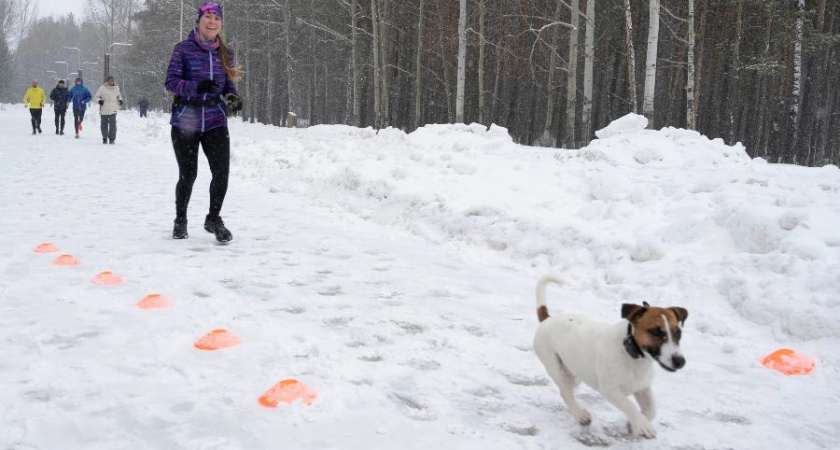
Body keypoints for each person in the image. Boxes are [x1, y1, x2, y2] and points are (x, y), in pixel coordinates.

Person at [165, 1, 242, 243]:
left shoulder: (225, 52)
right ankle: (180, 220)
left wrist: (232, 98)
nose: (212, 22)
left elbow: (228, 84)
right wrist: (195, 87)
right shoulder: (183, 49)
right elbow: (171, 82)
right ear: (199, 21)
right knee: (188, 174)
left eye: (216, 18)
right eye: (208, 17)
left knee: (222, 173)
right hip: (185, 119)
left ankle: (213, 218)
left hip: (215, 119)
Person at [94, 75, 123, 144]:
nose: (111, 82)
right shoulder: (102, 88)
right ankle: (104, 137)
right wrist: (99, 101)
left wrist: (120, 100)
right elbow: (96, 97)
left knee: (113, 124)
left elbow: (118, 95)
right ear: (106, 81)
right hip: (104, 109)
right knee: (104, 125)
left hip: (113, 109)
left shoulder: (116, 88)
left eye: (112, 81)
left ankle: (112, 139)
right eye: (109, 81)